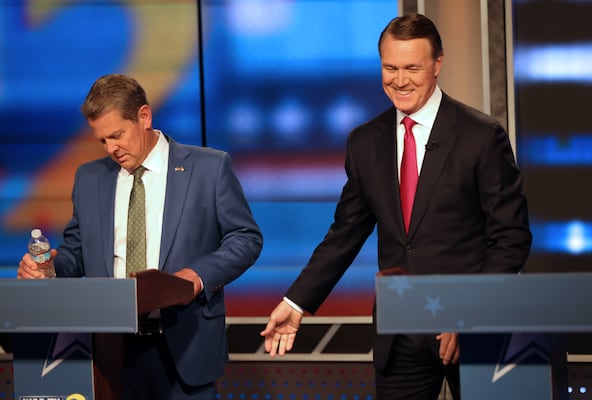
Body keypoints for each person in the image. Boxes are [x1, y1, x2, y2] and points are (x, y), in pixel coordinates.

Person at [260, 13, 531, 400]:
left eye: (411, 68)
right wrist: (297, 301)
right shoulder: (365, 141)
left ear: (438, 64)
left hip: (472, 331)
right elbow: (346, 233)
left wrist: (471, 311)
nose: (399, 80)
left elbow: (511, 237)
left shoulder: (481, 136)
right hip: (400, 334)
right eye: (390, 67)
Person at [17, 74, 263, 399]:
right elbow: (77, 252)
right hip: (111, 352)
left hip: (185, 346)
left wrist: (197, 277)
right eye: (102, 140)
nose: (111, 149)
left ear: (144, 117)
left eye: (117, 135)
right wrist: (49, 268)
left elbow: (245, 238)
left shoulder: (209, 167)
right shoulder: (90, 178)